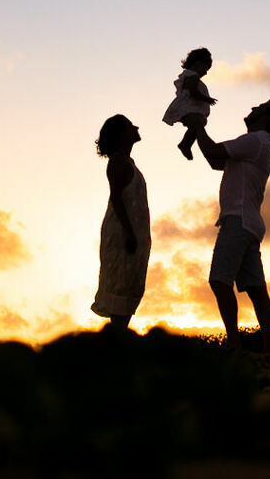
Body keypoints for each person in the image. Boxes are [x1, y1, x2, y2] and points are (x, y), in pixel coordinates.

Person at [186, 99, 270, 355]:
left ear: (265, 118)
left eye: (259, 108)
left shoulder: (255, 141)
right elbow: (214, 159)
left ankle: (234, 344)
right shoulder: (260, 144)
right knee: (256, 290)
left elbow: (213, 151)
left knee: (220, 281)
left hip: (238, 220)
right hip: (250, 223)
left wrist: (198, 126)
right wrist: (198, 131)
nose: (252, 108)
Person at [89, 114, 151, 329]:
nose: (136, 126)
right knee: (121, 288)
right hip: (124, 234)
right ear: (121, 134)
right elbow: (116, 197)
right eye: (129, 125)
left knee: (130, 287)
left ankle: (117, 345)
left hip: (133, 234)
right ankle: (114, 348)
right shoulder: (117, 161)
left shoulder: (126, 162)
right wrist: (129, 233)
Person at [163, 48, 217, 159]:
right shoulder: (192, 75)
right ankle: (185, 144)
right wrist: (206, 99)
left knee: (199, 124)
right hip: (188, 108)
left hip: (190, 109)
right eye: (205, 68)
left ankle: (186, 144)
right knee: (198, 123)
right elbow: (192, 91)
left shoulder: (191, 75)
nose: (206, 73)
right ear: (197, 63)